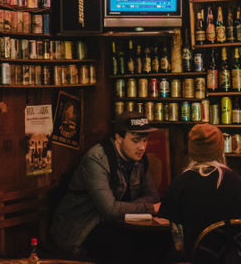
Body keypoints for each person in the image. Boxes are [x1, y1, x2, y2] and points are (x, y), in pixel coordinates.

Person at [49, 111, 162, 263]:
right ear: (118, 138)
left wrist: (124, 208)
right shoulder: (96, 159)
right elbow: (109, 210)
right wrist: (149, 208)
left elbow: (152, 196)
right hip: (81, 229)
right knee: (123, 248)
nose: (142, 147)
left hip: (115, 224)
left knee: (156, 245)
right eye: (136, 141)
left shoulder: (140, 160)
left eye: (145, 141)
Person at [159, 123, 241, 260]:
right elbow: (240, 224)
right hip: (231, 259)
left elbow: (178, 242)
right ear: (220, 149)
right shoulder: (237, 182)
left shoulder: (180, 183)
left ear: (191, 149)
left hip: (194, 258)